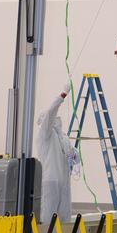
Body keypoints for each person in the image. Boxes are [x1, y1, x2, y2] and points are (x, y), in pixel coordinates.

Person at [36, 91, 75, 224]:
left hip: (64, 181)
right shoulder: (45, 135)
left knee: (65, 217)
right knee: (48, 216)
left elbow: (75, 157)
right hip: (50, 181)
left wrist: (74, 155)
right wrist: (62, 95)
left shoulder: (64, 138)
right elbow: (51, 112)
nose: (56, 119)